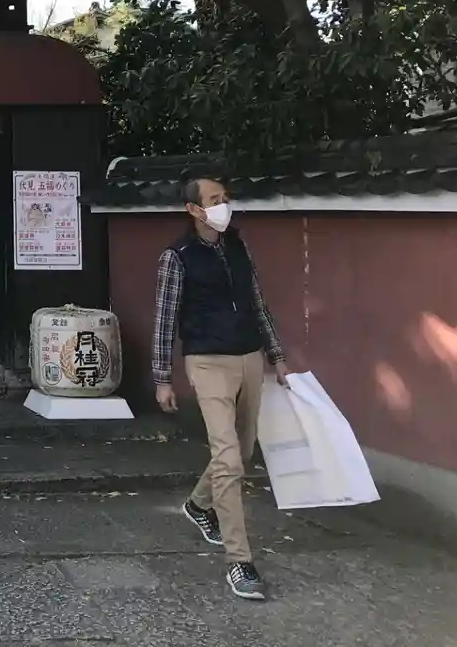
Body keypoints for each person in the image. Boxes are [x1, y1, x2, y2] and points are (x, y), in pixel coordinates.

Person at [152, 176, 289, 602]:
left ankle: (198, 505)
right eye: (214, 200)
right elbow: (164, 319)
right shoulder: (177, 257)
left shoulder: (238, 246)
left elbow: (258, 303)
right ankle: (239, 561)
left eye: (225, 198)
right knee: (227, 458)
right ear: (193, 210)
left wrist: (276, 355)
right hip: (208, 361)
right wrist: (162, 378)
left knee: (243, 451)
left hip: (249, 356)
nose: (222, 205)